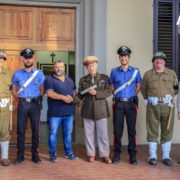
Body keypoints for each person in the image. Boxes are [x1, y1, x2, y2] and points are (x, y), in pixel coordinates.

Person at [141, 51, 178, 166]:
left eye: (161, 59)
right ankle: (152, 156)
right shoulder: (148, 74)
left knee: (167, 130)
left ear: (164, 61)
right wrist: (149, 99)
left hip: (168, 107)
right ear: (153, 62)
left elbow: (176, 88)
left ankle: (166, 156)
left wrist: (171, 97)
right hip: (153, 106)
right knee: (152, 129)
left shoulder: (172, 74)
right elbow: (143, 89)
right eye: (156, 59)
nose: (159, 61)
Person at [74, 56, 112, 164]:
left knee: (103, 134)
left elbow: (109, 92)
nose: (91, 68)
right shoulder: (83, 80)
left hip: (101, 109)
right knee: (89, 134)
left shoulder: (104, 78)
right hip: (88, 109)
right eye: (89, 66)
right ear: (86, 68)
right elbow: (80, 94)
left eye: (93, 65)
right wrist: (74, 100)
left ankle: (105, 155)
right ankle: (91, 154)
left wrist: (97, 93)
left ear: (96, 65)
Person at [109, 46, 142, 165]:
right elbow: (112, 86)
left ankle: (132, 155)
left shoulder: (135, 71)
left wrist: (132, 95)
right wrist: (118, 96)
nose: (123, 58)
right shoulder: (114, 71)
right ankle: (116, 154)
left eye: (125, 56)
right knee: (117, 130)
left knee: (131, 131)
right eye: (121, 56)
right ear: (119, 58)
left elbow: (139, 85)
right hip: (118, 103)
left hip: (130, 104)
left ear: (129, 58)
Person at [12, 48, 45, 164]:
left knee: (36, 131)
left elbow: (42, 90)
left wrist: (37, 99)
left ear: (33, 59)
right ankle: (20, 156)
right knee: (21, 131)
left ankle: (35, 155)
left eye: (30, 57)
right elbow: (14, 90)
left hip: (35, 105)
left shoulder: (39, 74)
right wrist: (20, 99)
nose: (28, 60)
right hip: (23, 104)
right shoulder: (17, 74)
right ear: (23, 59)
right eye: (26, 58)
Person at [45, 60, 78, 162]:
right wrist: (64, 97)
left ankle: (69, 153)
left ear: (64, 68)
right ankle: (53, 154)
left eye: (61, 67)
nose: (59, 69)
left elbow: (74, 93)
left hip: (69, 112)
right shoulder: (50, 79)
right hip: (55, 113)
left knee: (68, 134)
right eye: (56, 67)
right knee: (53, 133)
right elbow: (50, 93)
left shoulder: (70, 80)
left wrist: (75, 99)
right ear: (53, 68)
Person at [0, 50, 12, 166]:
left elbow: (11, 90)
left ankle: (4, 157)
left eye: (1, 58)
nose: (0, 60)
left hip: (4, 107)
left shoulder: (8, 73)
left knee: (4, 130)